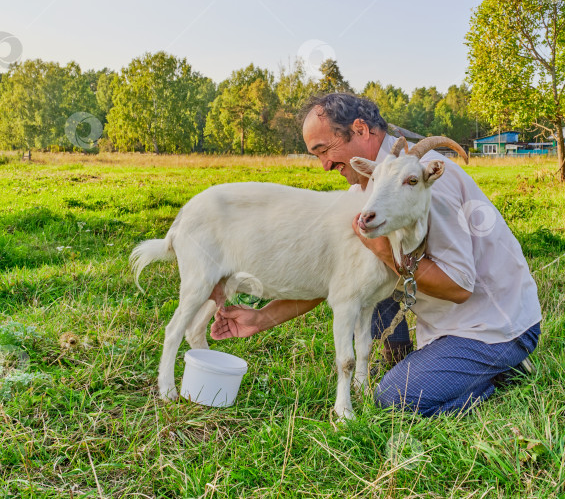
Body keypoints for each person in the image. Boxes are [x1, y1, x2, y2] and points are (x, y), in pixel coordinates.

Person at [210, 93, 541, 417]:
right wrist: (262, 318)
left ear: (360, 130)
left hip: (494, 326)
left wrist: (388, 256)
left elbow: (459, 288)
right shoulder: (369, 190)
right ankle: (418, 362)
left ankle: (498, 372)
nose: (324, 165)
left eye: (324, 150)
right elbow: (338, 279)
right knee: (365, 261)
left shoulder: (422, 180)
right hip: (444, 328)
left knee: (394, 399)